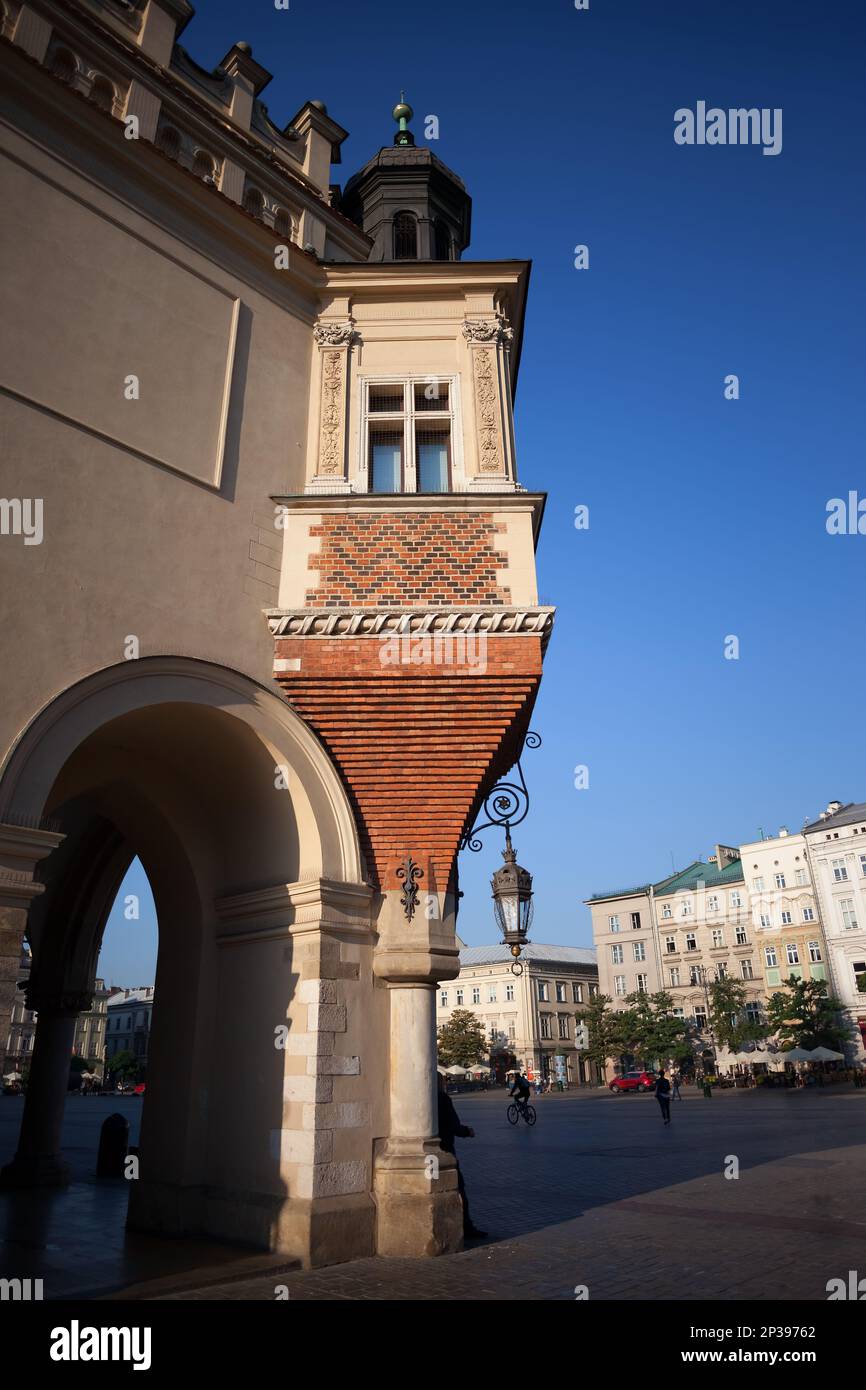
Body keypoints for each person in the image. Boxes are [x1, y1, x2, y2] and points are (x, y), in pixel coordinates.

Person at [437, 1072, 486, 1240]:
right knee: (459, 1188)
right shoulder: (442, 1099)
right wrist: (467, 1132)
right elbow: (454, 1126)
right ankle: (466, 1226)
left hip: (425, 1152)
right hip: (444, 1149)